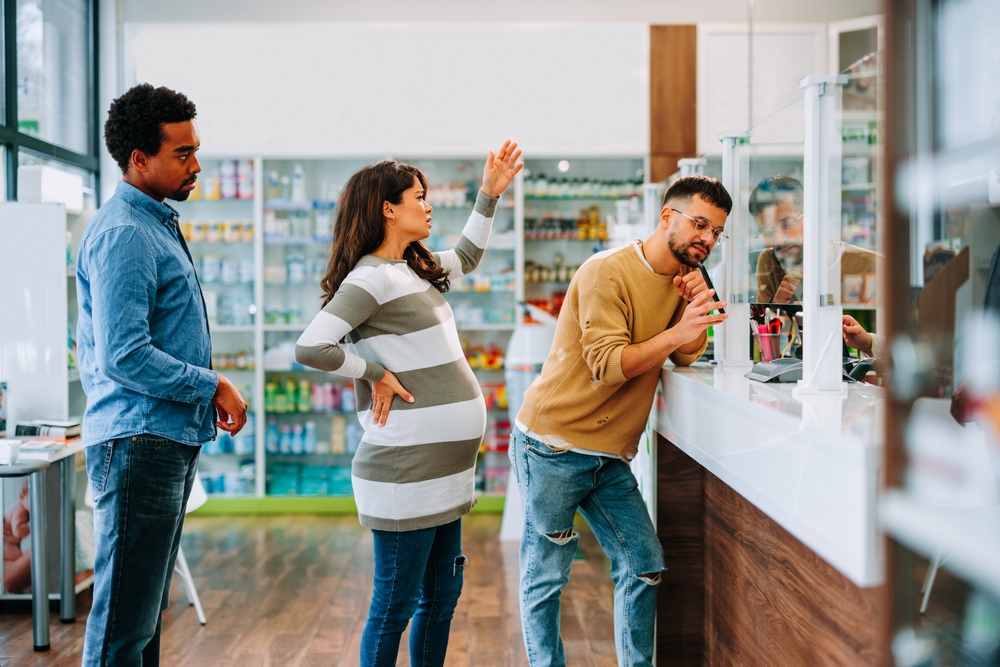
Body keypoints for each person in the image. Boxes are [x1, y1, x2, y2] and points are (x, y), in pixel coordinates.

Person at [294, 142, 523, 667]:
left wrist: (488, 195)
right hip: (406, 471)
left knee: (441, 599)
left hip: (441, 472)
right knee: (395, 605)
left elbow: (465, 256)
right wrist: (373, 372)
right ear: (387, 209)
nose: (429, 205)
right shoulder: (370, 278)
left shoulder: (411, 268)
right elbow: (312, 346)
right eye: (419, 197)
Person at [511, 175, 731, 667]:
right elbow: (606, 365)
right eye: (699, 224)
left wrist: (695, 305)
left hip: (608, 455)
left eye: (716, 232)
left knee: (644, 564)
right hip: (554, 445)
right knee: (546, 576)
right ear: (666, 217)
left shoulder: (682, 277)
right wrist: (679, 330)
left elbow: (687, 356)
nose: (707, 239)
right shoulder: (606, 272)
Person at [76, 84, 247, 666]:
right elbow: (123, 355)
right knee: (124, 625)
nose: (196, 165)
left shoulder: (153, 222)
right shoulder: (126, 232)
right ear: (138, 159)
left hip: (160, 439)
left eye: (195, 150)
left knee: (143, 621)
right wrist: (212, 384)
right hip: (138, 441)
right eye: (182, 154)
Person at [751, 175, 879, 304]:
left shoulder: (874, 265)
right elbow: (765, 322)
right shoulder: (769, 261)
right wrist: (777, 306)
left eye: (787, 225)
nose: (778, 240)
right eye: (767, 233)